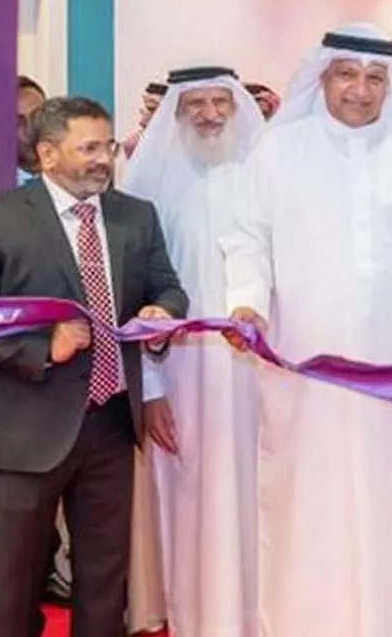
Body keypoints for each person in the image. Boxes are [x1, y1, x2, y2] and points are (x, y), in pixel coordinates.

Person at [222, 26, 392, 637]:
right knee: (310, 504)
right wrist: (247, 303)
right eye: (346, 75)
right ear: (323, 77)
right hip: (309, 366)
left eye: (374, 78)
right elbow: (247, 240)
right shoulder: (279, 152)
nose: (360, 90)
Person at [0, 96, 188, 637]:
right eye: (88, 148)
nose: (103, 159)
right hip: (24, 430)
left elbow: (167, 287)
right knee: (13, 583)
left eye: (106, 146)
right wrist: (43, 346)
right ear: (47, 154)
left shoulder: (136, 215)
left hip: (112, 424)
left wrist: (163, 313)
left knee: (106, 578)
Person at [122, 67, 265, 637]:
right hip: (178, 369)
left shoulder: (262, 175)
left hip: (256, 370)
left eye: (220, 102)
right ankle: (194, 612)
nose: (210, 115)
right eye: (196, 104)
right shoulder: (145, 186)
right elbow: (137, 297)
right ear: (176, 113)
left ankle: (255, 612)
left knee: (257, 487)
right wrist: (150, 390)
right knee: (187, 486)